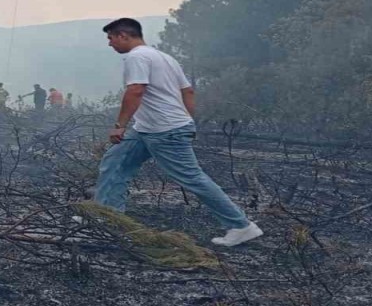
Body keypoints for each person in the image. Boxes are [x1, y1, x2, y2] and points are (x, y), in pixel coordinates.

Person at [94, 18, 262, 247]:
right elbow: (188, 91)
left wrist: (119, 124)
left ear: (124, 35)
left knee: (192, 178)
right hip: (146, 128)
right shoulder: (165, 57)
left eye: (111, 38)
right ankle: (107, 216)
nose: (110, 44)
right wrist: (188, 121)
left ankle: (242, 226)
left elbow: (135, 90)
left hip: (164, 131)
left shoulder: (136, 57)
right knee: (114, 163)